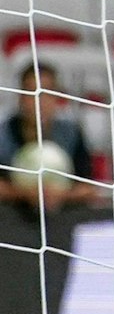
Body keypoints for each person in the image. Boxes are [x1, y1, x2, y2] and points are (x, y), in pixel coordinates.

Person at [0, 65, 94, 210]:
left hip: (62, 218)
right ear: (20, 97)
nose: (40, 101)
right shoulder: (3, 135)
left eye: (47, 93)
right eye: (32, 92)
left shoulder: (71, 134)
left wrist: (60, 194)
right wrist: (26, 193)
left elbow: (88, 188)